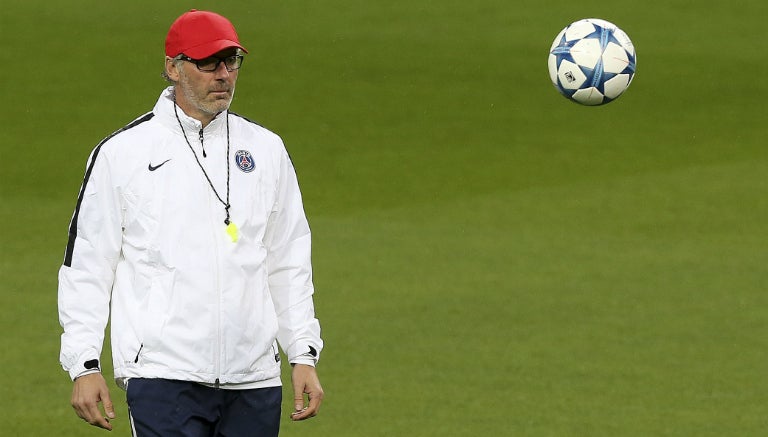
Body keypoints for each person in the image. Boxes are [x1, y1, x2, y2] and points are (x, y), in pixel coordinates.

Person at [58, 9, 324, 435]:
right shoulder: (121, 155)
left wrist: (303, 354)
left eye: (231, 61)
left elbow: (288, 259)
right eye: (208, 63)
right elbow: (88, 265)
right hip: (164, 375)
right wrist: (83, 362)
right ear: (172, 67)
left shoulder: (267, 150)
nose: (223, 74)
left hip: (253, 378)